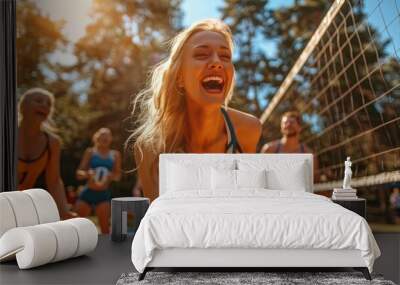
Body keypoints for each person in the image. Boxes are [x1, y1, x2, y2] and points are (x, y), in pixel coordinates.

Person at [126, 19, 262, 202]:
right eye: (202, 54)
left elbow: (247, 203)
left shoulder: (248, 130)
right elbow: (157, 218)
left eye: (225, 56)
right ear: (180, 77)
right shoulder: (149, 148)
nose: (216, 62)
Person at [17, 88, 76, 219]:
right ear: (23, 107)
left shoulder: (52, 143)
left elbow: (54, 182)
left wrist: (64, 211)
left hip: (21, 206)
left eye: (48, 104)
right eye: (38, 101)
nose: (44, 105)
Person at [75, 128, 121, 234]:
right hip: (87, 193)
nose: (105, 137)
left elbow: (118, 176)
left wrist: (111, 176)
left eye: (108, 135)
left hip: (103, 195)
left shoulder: (115, 155)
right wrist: (88, 173)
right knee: (76, 227)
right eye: (102, 135)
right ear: (97, 138)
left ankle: (106, 250)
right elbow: (78, 173)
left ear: (111, 139)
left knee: (105, 230)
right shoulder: (90, 152)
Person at [261, 111, 319, 182]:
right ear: (281, 127)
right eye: (285, 123)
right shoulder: (269, 149)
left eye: (291, 122)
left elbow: (313, 182)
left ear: (299, 127)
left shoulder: (309, 155)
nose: (288, 125)